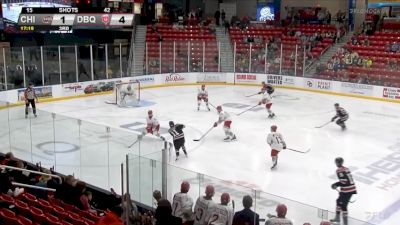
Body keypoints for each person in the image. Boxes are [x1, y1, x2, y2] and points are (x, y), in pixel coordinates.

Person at [330, 157, 357, 225]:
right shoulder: (346, 168)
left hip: (347, 190)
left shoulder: (339, 171)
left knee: (343, 205)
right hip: (350, 189)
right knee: (338, 201)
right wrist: (337, 184)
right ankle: (337, 218)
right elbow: (347, 180)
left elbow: (345, 182)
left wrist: (336, 184)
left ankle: (345, 223)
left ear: (336, 163)